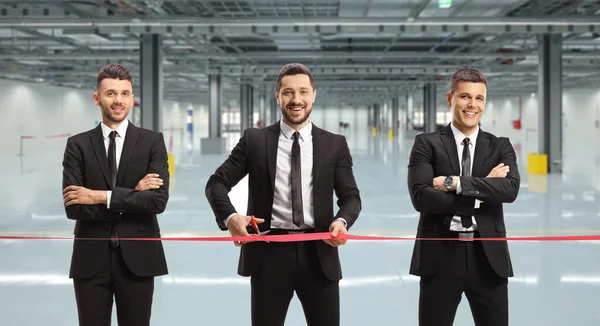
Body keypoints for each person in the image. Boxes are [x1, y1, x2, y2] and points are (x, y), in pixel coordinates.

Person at [205, 63, 361, 326]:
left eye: (303, 92)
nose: (296, 100)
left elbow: (351, 197)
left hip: (319, 253)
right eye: (288, 92)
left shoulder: (334, 144)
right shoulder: (255, 141)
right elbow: (216, 183)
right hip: (269, 256)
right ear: (277, 95)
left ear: (314, 95)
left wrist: (342, 221)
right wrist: (230, 217)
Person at [407, 68, 520, 326]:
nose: (472, 105)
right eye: (465, 97)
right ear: (450, 99)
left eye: (479, 98)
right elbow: (421, 197)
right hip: (440, 257)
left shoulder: (500, 145)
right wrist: (482, 192)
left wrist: (455, 183)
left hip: (488, 259)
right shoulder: (426, 143)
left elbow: (510, 190)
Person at [61, 63, 170, 326]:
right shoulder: (78, 145)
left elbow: (156, 201)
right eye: (110, 93)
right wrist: (134, 195)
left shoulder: (152, 141)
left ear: (132, 99)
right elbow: (74, 207)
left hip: (139, 259)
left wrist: (99, 196)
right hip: (90, 259)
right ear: (97, 98)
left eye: (124, 93)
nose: (118, 100)